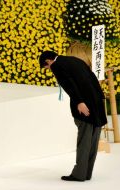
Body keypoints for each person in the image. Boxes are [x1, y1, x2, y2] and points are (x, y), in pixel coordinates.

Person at [39, 51, 107, 182]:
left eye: (46, 67)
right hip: (97, 101)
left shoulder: (57, 65)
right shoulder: (75, 60)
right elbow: (92, 77)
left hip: (84, 104)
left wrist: (80, 102)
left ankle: (79, 174)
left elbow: (70, 85)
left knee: (84, 139)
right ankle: (86, 173)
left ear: (48, 61)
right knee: (93, 138)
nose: (49, 69)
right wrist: (100, 98)